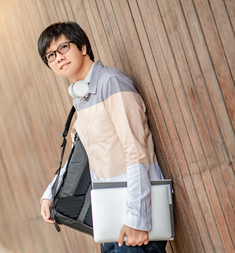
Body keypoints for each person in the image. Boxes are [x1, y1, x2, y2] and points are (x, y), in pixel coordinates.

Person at [38, 21, 167, 253]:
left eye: (64, 47)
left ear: (83, 47)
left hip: (135, 219)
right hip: (110, 218)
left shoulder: (111, 83)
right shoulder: (81, 98)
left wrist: (137, 219)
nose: (58, 57)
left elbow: (137, 152)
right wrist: (51, 193)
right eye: (50, 55)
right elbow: (80, 156)